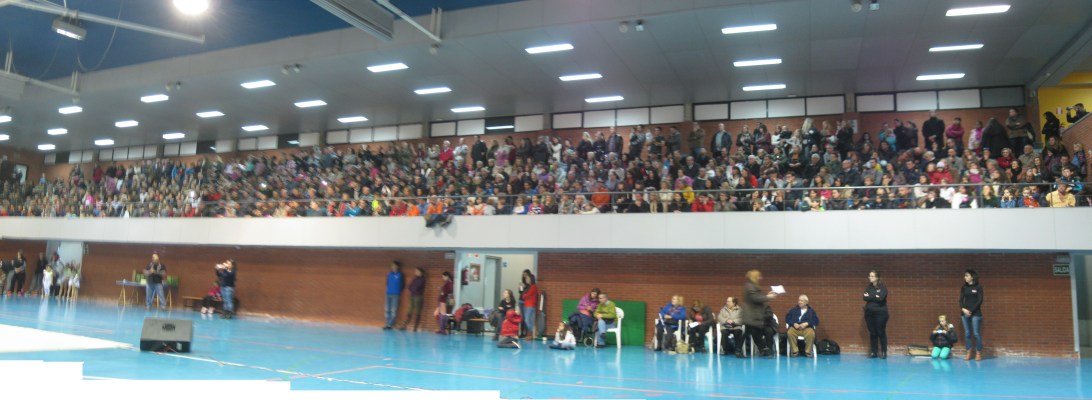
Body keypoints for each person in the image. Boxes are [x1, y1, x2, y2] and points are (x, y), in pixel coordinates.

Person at [743, 270, 778, 356]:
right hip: (756, 320)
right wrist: (768, 297)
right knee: (754, 332)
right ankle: (763, 349)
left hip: (766, 323)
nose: (761, 278)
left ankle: (768, 349)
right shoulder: (750, 286)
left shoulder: (753, 286)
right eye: (759, 276)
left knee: (768, 331)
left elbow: (769, 315)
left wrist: (767, 296)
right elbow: (756, 298)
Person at [863, 270, 889, 359]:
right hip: (869, 313)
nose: (869, 277)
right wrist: (875, 295)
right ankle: (874, 352)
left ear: (877, 278)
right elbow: (864, 297)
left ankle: (884, 352)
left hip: (881, 313)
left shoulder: (883, 288)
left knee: (880, 332)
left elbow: (880, 298)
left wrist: (870, 296)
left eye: (872, 276)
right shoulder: (868, 287)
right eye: (869, 276)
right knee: (873, 332)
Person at [960, 269, 984, 361]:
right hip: (964, 313)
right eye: (965, 276)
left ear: (972, 277)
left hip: (976, 313)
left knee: (976, 333)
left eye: (967, 275)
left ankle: (978, 353)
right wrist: (963, 309)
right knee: (967, 333)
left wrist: (970, 311)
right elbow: (960, 300)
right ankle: (968, 352)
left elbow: (980, 300)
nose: (965, 277)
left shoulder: (978, 287)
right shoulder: (964, 287)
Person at [400, 267, 426, 331]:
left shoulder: (422, 279)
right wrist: (412, 289)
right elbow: (409, 286)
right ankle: (404, 325)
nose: (416, 272)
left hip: (418, 297)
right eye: (416, 271)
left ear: (421, 272)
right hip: (412, 296)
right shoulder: (415, 279)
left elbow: (417, 287)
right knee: (409, 311)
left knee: (417, 312)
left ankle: (415, 327)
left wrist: (413, 289)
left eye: (417, 271)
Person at [383, 261, 404, 330]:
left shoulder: (400, 275)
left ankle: (390, 325)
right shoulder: (389, 274)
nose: (393, 267)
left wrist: (398, 291)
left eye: (395, 266)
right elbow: (387, 283)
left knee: (393, 310)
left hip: (396, 294)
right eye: (392, 266)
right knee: (387, 309)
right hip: (388, 294)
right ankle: (386, 324)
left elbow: (402, 285)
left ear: (398, 267)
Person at [519, 272, 539, 339]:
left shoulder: (533, 287)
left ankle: (532, 332)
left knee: (527, 320)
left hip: (530, 306)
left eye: (527, 278)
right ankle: (531, 333)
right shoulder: (528, 286)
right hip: (526, 305)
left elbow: (526, 295)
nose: (526, 280)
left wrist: (524, 295)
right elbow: (522, 294)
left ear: (531, 279)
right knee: (528, 320)